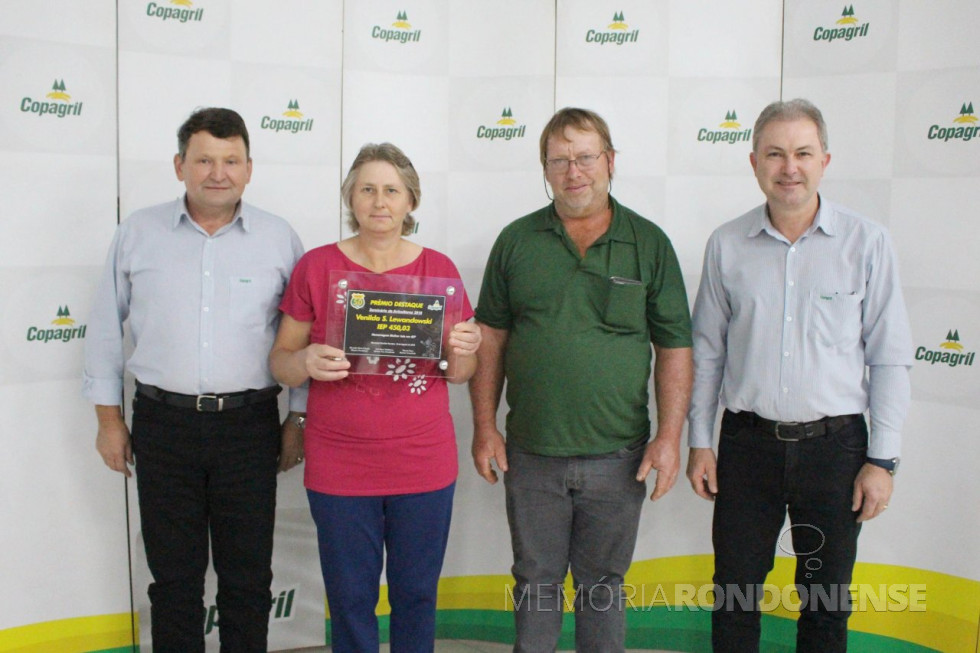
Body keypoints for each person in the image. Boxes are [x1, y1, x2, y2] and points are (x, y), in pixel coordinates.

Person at [686, 98, 914, 652]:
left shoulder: (867, 243)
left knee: (826, 600)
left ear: (825, 160)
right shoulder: (726, 244)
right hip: (747, 445)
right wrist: (699, 442)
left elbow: (889, 356)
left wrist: (881, 460)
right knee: (735, 596)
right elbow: (706, 353)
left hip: (835, 450)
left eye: (803, 153)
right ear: (754, 162)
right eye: (776, 153)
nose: (790, 166)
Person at [469, 107, 694, 652]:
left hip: (619, 458)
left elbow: (674, 347)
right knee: (537, 584)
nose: (575, 171)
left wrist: (669, 438)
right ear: (545, 169)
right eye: (560, 160)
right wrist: (483, 426)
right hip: (532, 455)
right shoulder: (516, 241)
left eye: (586, 157)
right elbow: (491, 338)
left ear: (610, 161)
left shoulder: (650, 243)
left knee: (602, 590)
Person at [83, 107, 306, 652]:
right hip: (163, 426)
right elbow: (106, 331)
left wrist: (298, 418)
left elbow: (299, 337)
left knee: (247, 580)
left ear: (249, 168)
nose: (217, 173)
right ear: (179, 164)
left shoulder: (279, 239)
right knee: (175, 582)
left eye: (231, 161)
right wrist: (109, 421)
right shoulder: (138, 232)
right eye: (204, 159)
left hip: (250, 427)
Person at [269, 142, 481, 652]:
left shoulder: (440, 270)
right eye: (367, 189)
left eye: (391, 190)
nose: (379, 201)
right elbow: (280, 360)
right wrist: (305, 364)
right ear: (351, 198)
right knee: (348, 598)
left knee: (415, 594)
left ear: (411, 202)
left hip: (422, 461)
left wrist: (465, 349)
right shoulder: (316, 267)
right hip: (340, 462)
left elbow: (461, 372)